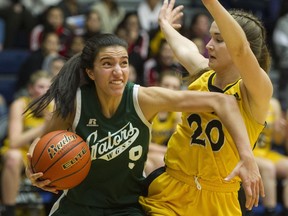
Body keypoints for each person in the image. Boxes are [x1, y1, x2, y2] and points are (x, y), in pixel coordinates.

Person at [25, 33, 256, 216]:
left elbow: (223, 101)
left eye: (123, 63)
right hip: (77, 206)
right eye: (107, 64)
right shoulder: (75, 103)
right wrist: (32, 167)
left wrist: (247, 157)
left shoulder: (142, 99)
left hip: (126, 207)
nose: (118, 72)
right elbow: (41, 144)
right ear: (91, 72)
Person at [139, 0, 272, 215]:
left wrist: (210, 3)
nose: (209, 45)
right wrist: (165, 25)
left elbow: (240, 50)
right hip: (172, 190)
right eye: (211, 37)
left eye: (219, 40)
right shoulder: (203, 73)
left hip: (219, 199)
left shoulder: (257, 91)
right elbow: (186, 48)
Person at [0, 70, 53, 216]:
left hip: (44, 155)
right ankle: (8, 210)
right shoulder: (20, 104)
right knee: (13, 156)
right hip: (22, 152)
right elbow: (14, 142)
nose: (45, 92)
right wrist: (43, 127)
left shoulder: (54, 107)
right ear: (30, 89)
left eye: (49, 88)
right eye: (40, 87)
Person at [254, 98, 288, 216]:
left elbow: (278, 140)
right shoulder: (245, 98)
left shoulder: (274, 104)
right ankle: (270, 211)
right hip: (249, 153)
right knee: (268, 167)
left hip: (266, 152)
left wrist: (281, 130)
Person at [145, 69, 182, 176]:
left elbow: (178, 147)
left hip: (160, 153)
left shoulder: (178, 113)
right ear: (157, 86)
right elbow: (142, 144)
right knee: (153, 164)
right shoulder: (148, 107)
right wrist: (165, 151)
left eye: (175, 87)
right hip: (141, 151)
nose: (170, 90)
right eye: (166, 85)